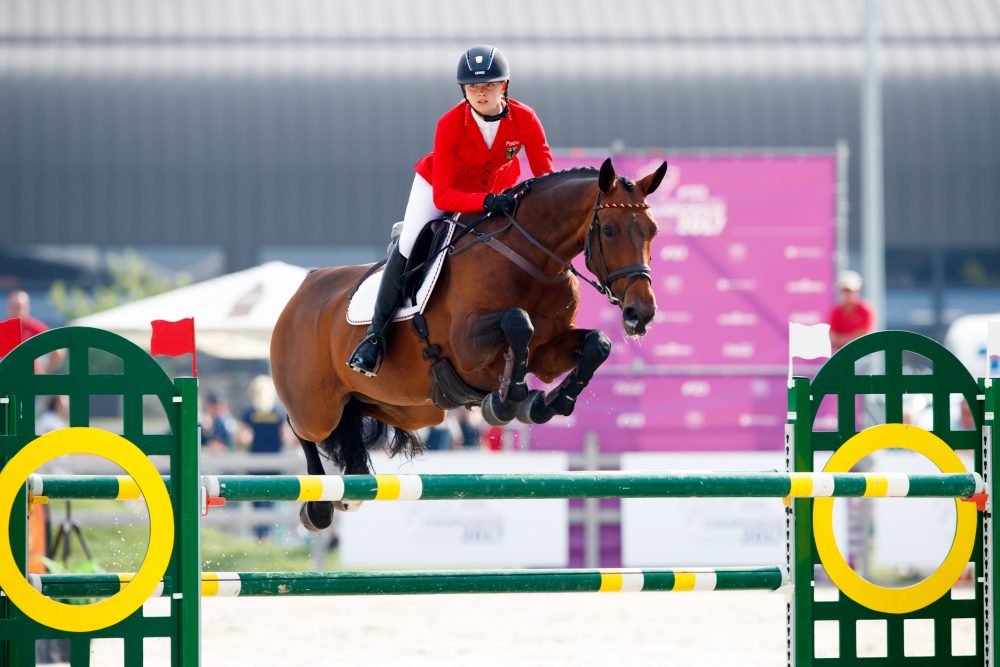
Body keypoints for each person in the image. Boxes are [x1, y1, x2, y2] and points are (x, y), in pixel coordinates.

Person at [348, 44, 554, 377]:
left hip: (495, 190)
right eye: (474, 87)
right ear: (464, 90)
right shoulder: (449, 123)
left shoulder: (526, 118)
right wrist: (486, 203)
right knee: (409, 245)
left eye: (489, 85)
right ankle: (375, 338)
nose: (481, 92)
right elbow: (444, 196)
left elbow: (546, 175)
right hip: (439, 189)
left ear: (504, 86)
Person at [237, 375, 292, 541]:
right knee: (270, 497)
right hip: (274, 461)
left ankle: (260, 535)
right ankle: (266, 535)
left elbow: (241, 437)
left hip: (254, 461)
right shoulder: (278, 412)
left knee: (255, 496)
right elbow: (286, 437)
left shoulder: (249, 413)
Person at [4, 290, 65, 372]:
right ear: (9, 308)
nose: (17, 311)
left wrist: (44, 374)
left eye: (19, 307)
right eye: (14, 307)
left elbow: (58, 351)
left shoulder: (34, 327)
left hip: (29, 380)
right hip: (6, 379)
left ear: (27, 308)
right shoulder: (3, 328)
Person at [828, 270, 875, 350]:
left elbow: (865, 336)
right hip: (841, 354)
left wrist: (841, 339)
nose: (846, 294)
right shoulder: (836, 311)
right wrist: (851, 337)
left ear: (857, 291)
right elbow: (832, 337)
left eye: (849, 291)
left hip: (864, 353)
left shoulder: (865, 310)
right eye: (843, 291)